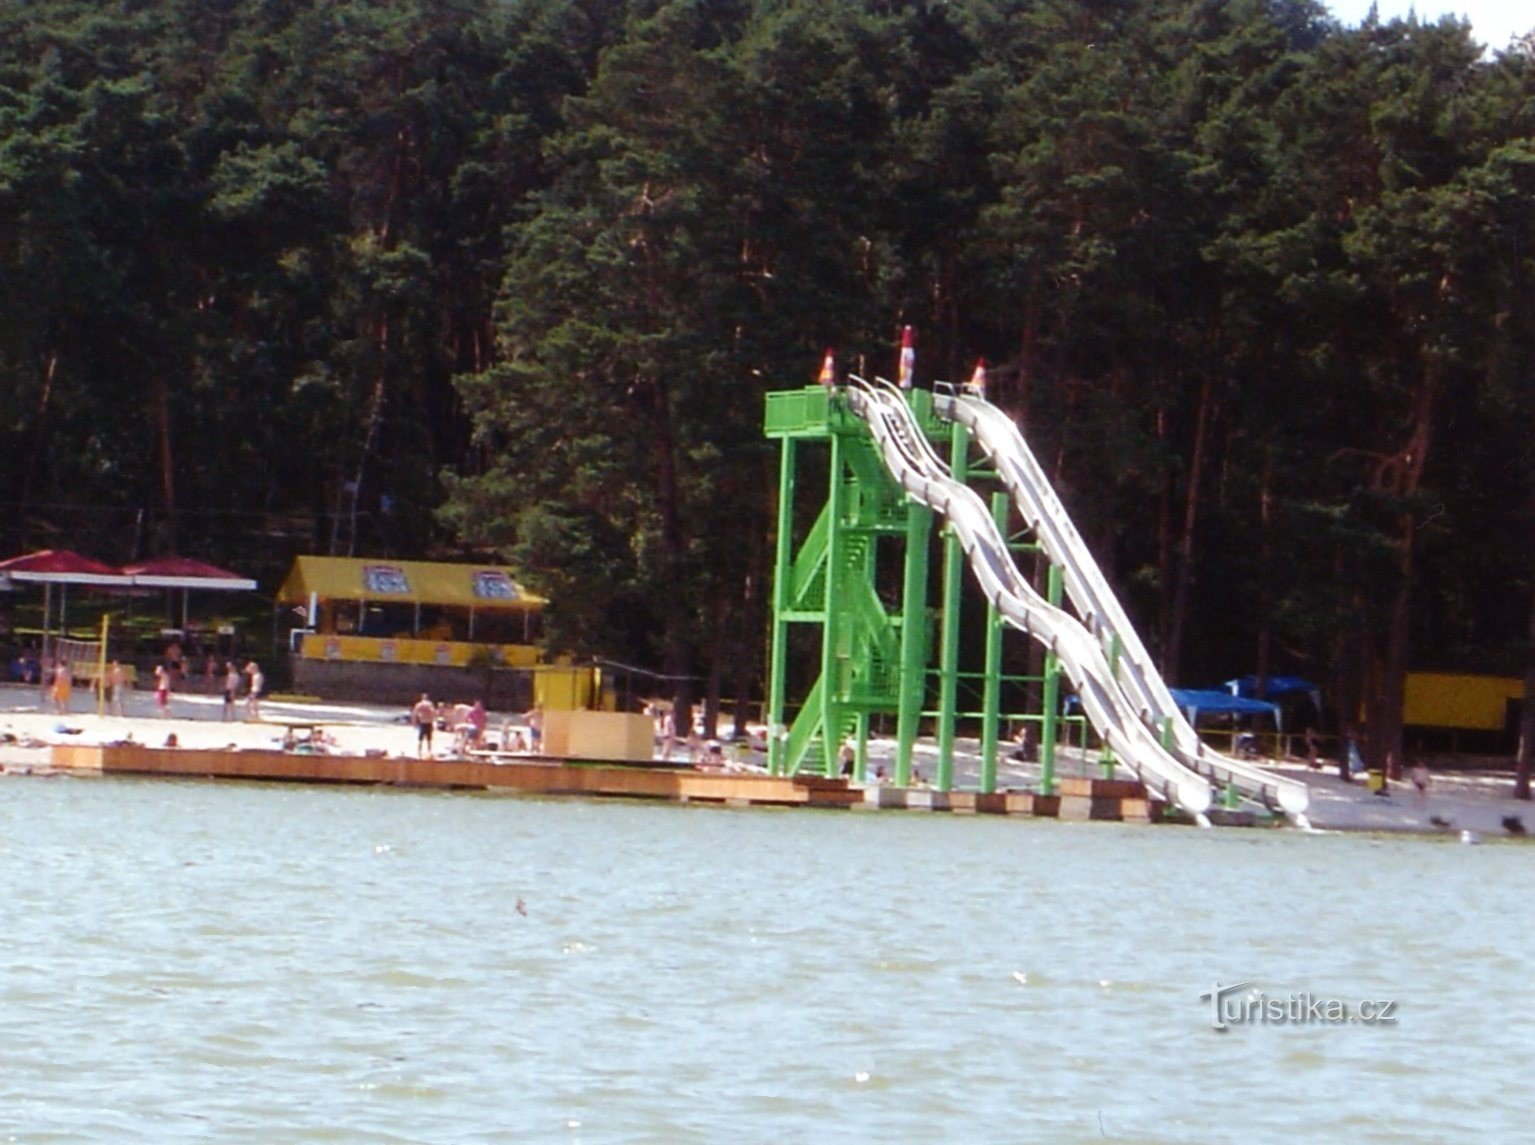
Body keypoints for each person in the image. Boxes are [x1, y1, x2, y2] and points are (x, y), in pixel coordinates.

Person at [412, 693, 436, 759]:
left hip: (423, 722)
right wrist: (433, 721)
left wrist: (414, 722)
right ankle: (429, 751)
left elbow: (415, 714)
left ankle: (419, 751)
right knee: (429, 739)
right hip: (428, 722)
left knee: (421, 738)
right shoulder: (429, 705)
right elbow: (433, 713)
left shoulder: (419, 705)